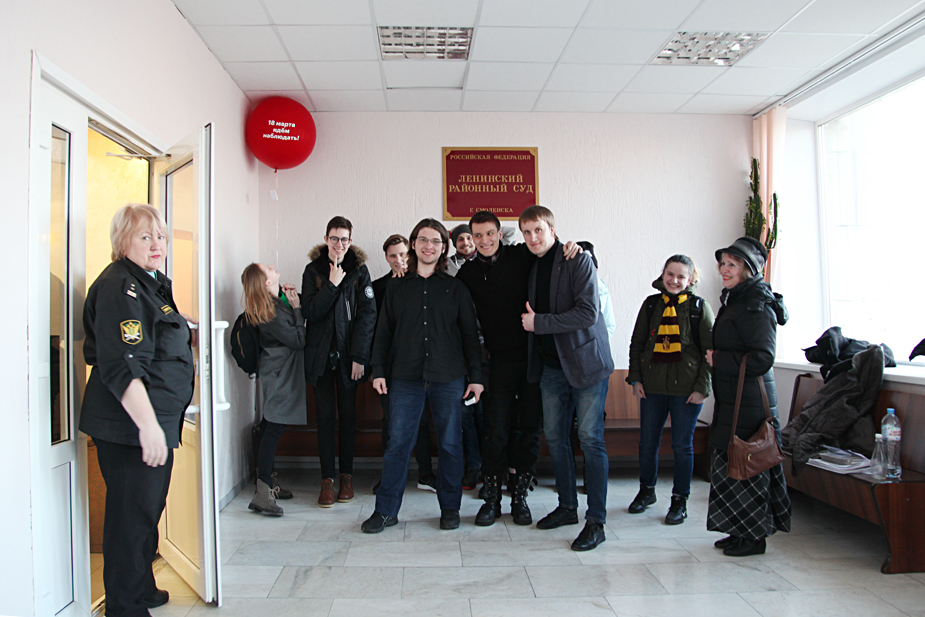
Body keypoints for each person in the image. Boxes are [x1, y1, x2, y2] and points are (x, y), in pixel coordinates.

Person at [79, 204, 196, 615]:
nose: (156, 244)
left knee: (147, 510)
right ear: (122, 242)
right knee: (130, 518)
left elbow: (155, 336)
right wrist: (147, 426)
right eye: (145, 237)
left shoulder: (148, 283)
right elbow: (122, 364)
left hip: (154, 421)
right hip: (129, 426)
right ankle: (124, 606)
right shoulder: (120, 287)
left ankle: (141, 587)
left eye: (160, 236)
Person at [362, 218, 484, 533]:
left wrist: (476, 377)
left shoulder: (456, 288)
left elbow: (470, 337)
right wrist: (378, 370)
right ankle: (386, 511)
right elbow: (383, 333)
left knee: (450, 444)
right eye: (423, 240)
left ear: (443, 248)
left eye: (436, 241)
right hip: (405, 377)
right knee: (398, 444)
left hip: (449, 377)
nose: (429, 246)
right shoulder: (396, 287)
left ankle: (450, 508)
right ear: (414, 244)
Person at [520, 205, 613, 552]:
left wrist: (539, 323)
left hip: (586, 365)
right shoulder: (531, 263)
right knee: (556, 439)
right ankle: (567, 507)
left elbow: (588, 313)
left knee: (590, 440)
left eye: (538, 230)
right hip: (550, 368)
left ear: (552, 230)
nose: (532, 237)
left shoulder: (578, 260)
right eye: (526, 232)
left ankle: (596, 521)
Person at [706, 237, 790, 557]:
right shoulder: (737, 299)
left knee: (748, 463)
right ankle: (738, 530)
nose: (724, 270)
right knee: (730, 462)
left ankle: (754, 537)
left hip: (749, 402)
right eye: (723, 263)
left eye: (732, 264)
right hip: (734, 397)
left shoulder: (755, 304)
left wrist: (718, 359)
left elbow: (762, 357)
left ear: (748, 269)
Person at [626, 254, 714, 524]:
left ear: (690, 279)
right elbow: (637, 344)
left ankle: (679, 500)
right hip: (652, 388)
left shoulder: (699, 308)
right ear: (663, 274)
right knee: (647, 443)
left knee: (682, 446)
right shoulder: (651, 305)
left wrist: (702, 388)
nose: (674, 280)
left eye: (681, 276)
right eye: (670, 274)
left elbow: (710, 353)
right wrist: (636, 379)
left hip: (687, 391)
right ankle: (646, 491)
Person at [301, 216, 376, 507]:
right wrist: (331, 285)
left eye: (344, 239)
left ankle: (346, 476)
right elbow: (310, 312)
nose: (339, 244)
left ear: (350, 241)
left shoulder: (359, 271)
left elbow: (367, 317)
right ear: (326, 239)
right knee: (324, 419)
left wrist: (359, 357)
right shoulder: (313, 270)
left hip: (349, 359)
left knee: (348, 418)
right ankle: (327, 481)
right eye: (334, 238)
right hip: (320, 358)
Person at [372, 234, 436, 493]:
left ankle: (426, 474)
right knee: (390, 421)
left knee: (421, 421)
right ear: (386, 259)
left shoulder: (425, 282)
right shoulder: (378, 288)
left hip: (420, 364)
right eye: (393, 256)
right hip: (390, 366)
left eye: (402, 254)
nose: (399, 260)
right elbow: (376, 330)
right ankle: (388, 477)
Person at [241, 263, 306, 516]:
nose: (271, 266)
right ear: (266, 282)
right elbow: (298, 340)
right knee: (273, 427)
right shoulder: (270, 312)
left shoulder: (271, 304)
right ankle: (262, 492)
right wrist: (297, 309)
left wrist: (289, 300)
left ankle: (267, 483)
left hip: (278, 371)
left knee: (270, 425)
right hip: (279, 373)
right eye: (266, 268)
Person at [447, 223, 483, 489]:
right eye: (460, 239)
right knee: (465, 416)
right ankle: (473, 468)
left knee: (487, 416)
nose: (466, 243)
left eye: (470, 237)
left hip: (488, 348)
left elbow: (507, 233)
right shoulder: (446, 267)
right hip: (458, 349)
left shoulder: (489, 262)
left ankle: (493, 471)